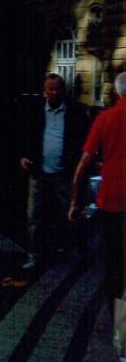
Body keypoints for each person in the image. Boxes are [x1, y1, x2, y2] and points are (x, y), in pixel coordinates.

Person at [19, 73, 89, 270]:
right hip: (39, 173)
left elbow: (84, 141)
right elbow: (22, 133)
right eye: (51, 89)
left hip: (66, 174)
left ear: (63, 90)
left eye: (58, 88)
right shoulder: (34, 111)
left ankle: (77, 253)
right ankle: (35, 256)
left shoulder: (76, 111)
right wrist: (23, 155)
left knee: (72, 214)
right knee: (35, 217)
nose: (55, 92)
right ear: (44, 91)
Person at [69, 71, 126, 315]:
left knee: (115, 264)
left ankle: (121, 326)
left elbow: (83, 165)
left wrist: (74, 201)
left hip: (111, 202)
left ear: (116, 92)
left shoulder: (105, 119)